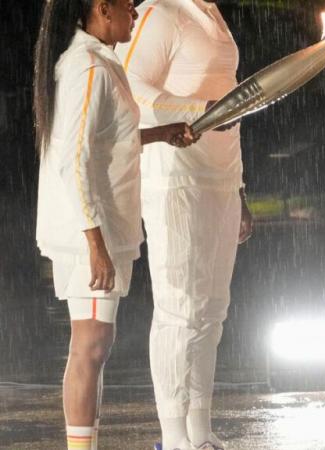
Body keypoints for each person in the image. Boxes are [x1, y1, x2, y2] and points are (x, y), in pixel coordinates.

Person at [33, 1, 197, 449]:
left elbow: (109, 138)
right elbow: (73, 160)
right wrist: (94, 242)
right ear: (102, 9)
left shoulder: (100, 62)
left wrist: (160, 134)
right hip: (87, 233)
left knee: (96, 345)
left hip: (103, 228)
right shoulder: (87, 68)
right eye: (128, 5)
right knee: (90, 346)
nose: (136, 13)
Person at [114, 1, 253, 449]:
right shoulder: (158, 11)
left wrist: (240, 190)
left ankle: (199, 430)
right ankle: (173, 436)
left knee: (212, 312)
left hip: (221, 178)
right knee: (180, 311)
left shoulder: (211, 14)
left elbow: (228, 98)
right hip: (175, 177)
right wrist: (200, 110)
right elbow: (129, 90)